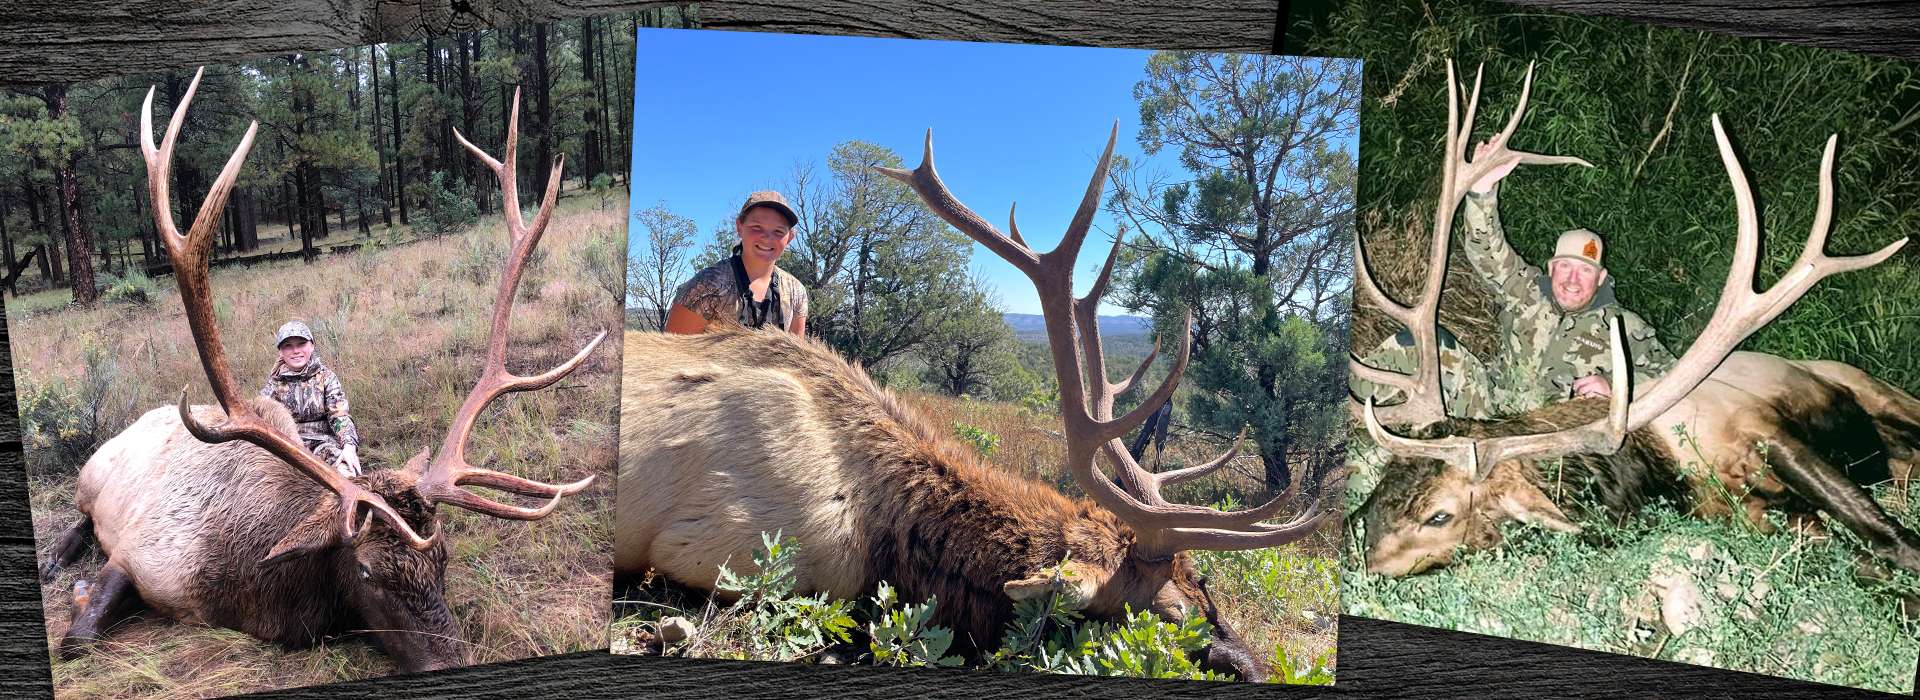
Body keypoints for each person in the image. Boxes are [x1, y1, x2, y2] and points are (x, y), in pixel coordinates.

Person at [1457, 138, 1676, 410]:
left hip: (1556, 437)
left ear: (1601, 277)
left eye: (1585, 270)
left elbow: (1672, 375)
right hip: (1491, 414)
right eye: (1565, 266)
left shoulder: (1624, 326)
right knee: (1414, 348)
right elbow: (1486, 249)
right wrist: (1481, 190)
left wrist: (1615, 386)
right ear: (1551, 268)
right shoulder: (1526, 290)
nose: (1573, 280)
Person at [664, 191, 810, 336]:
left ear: (790, 237)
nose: (767, 237)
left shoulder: (796, 292)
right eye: (757, 227)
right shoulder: (706, 286)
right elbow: (672, 352)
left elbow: (793, 356)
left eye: (778, 231)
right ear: (739, 227)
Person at [259, 320, 363, 476]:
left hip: (324, 445)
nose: (295, 350)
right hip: (288, 448)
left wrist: (349, 447)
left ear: (312, 346)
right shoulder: (274, 384)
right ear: (280, 351)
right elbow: (260, 418)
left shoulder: (326, 377)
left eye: (301, 344)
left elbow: (339, 415)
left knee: (348, 475)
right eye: (288, 346)